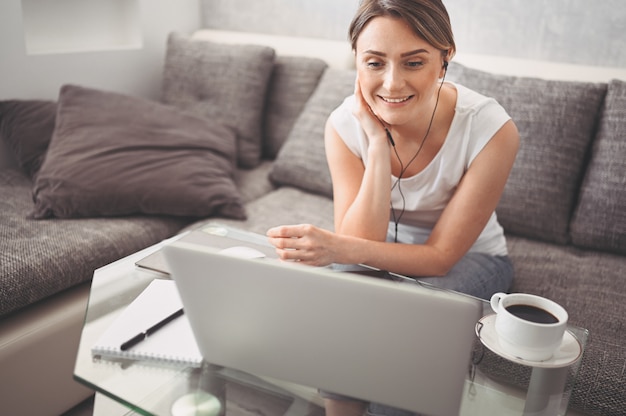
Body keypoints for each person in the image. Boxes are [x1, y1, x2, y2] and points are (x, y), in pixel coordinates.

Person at [267, 0, 519, 414]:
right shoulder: (343, 125)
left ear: (444, 58)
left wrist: (336, 249)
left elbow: (438, 258)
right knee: (343, 305)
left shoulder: (491, 128)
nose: (392, 84)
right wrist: (377, 148)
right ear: (357, 63)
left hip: (470, 257)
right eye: (374, 63)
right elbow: (359, 246)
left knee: (408, 332)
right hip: (375, 247)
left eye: (413, 63)